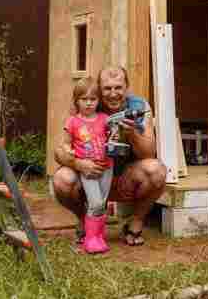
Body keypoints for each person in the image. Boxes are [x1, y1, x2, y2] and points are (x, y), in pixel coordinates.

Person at [53, 66, 167, 246]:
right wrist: (79, 164)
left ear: (127, 86)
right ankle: (85, 221)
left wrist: (131, 133)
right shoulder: (86, 104)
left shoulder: (139, 107)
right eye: (107, 88)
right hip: (90, 176)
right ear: (99, 88)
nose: (113, 93)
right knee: (62, 180)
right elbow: (59, 151)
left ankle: (135, 222)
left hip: (125, 179)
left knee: (157, 171)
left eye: (118, 87)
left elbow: (149, 153)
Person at [63, 77, 113, 254]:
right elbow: (66, 142)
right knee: (95, 202)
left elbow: (113, 136)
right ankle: (90, 239)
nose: (89, 103)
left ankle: (98, 236)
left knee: (102, 203)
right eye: (84, 99)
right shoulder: (73, 121)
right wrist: (68, 151)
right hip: (88, 168)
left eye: (93, 99)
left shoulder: (105, 119)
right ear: (76, 100)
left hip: (107, 166)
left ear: (98, 100)